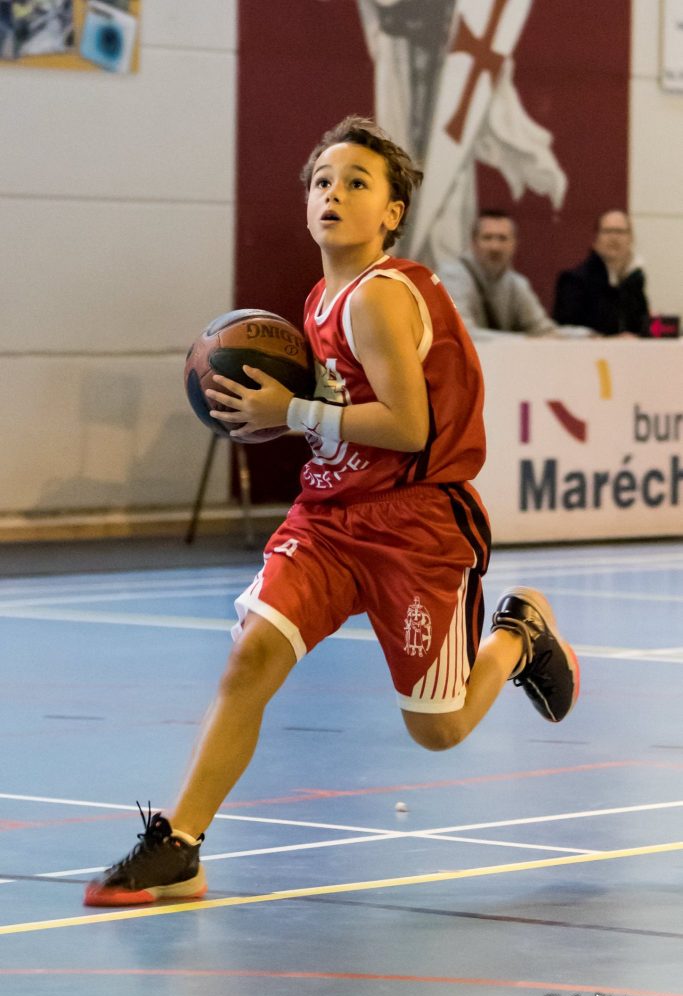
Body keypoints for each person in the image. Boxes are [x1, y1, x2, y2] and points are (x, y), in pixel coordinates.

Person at [84, 116, 580, 907]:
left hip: (413, 525)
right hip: (330, 515)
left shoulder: (377, 298)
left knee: (439, 727)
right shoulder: (321, 298)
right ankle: (180, 845)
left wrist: (291, 411)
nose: (333, 193)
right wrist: (282, 412)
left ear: (391, 213)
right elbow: (343, 409)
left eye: (356, 183)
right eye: (322, 181)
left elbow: (408, 426)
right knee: (251, 657)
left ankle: (518, 634)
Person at [437, 210, 557, 337]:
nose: (495, 247)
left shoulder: (516, 283)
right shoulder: (452, 276)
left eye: (502, 238)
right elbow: (462, 333)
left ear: (514, 244)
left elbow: (544, 328)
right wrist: (524, 341)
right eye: (487, 238)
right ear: (473, 243)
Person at [553, 210, 650, 337]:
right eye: (607, 231)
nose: (614, 237)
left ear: (631, 239)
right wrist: (605, 340)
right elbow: (563, 330)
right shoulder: (574, 281)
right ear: (595, 239)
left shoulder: (634, 280)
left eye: (620, 232)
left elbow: (640, 326)